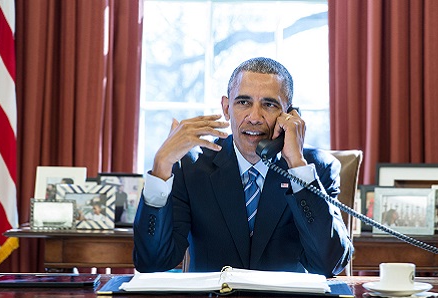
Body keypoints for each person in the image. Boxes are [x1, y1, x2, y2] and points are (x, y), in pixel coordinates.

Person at [133, 57, 353, 277]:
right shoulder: (191, 166)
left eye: (269, 104)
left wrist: (297, 166)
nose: (254, 117)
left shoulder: (316, 169)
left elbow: (328, 264)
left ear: (290, 114)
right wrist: (161, 168)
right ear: (227, 108)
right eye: (243, 102)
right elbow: (152, 262)